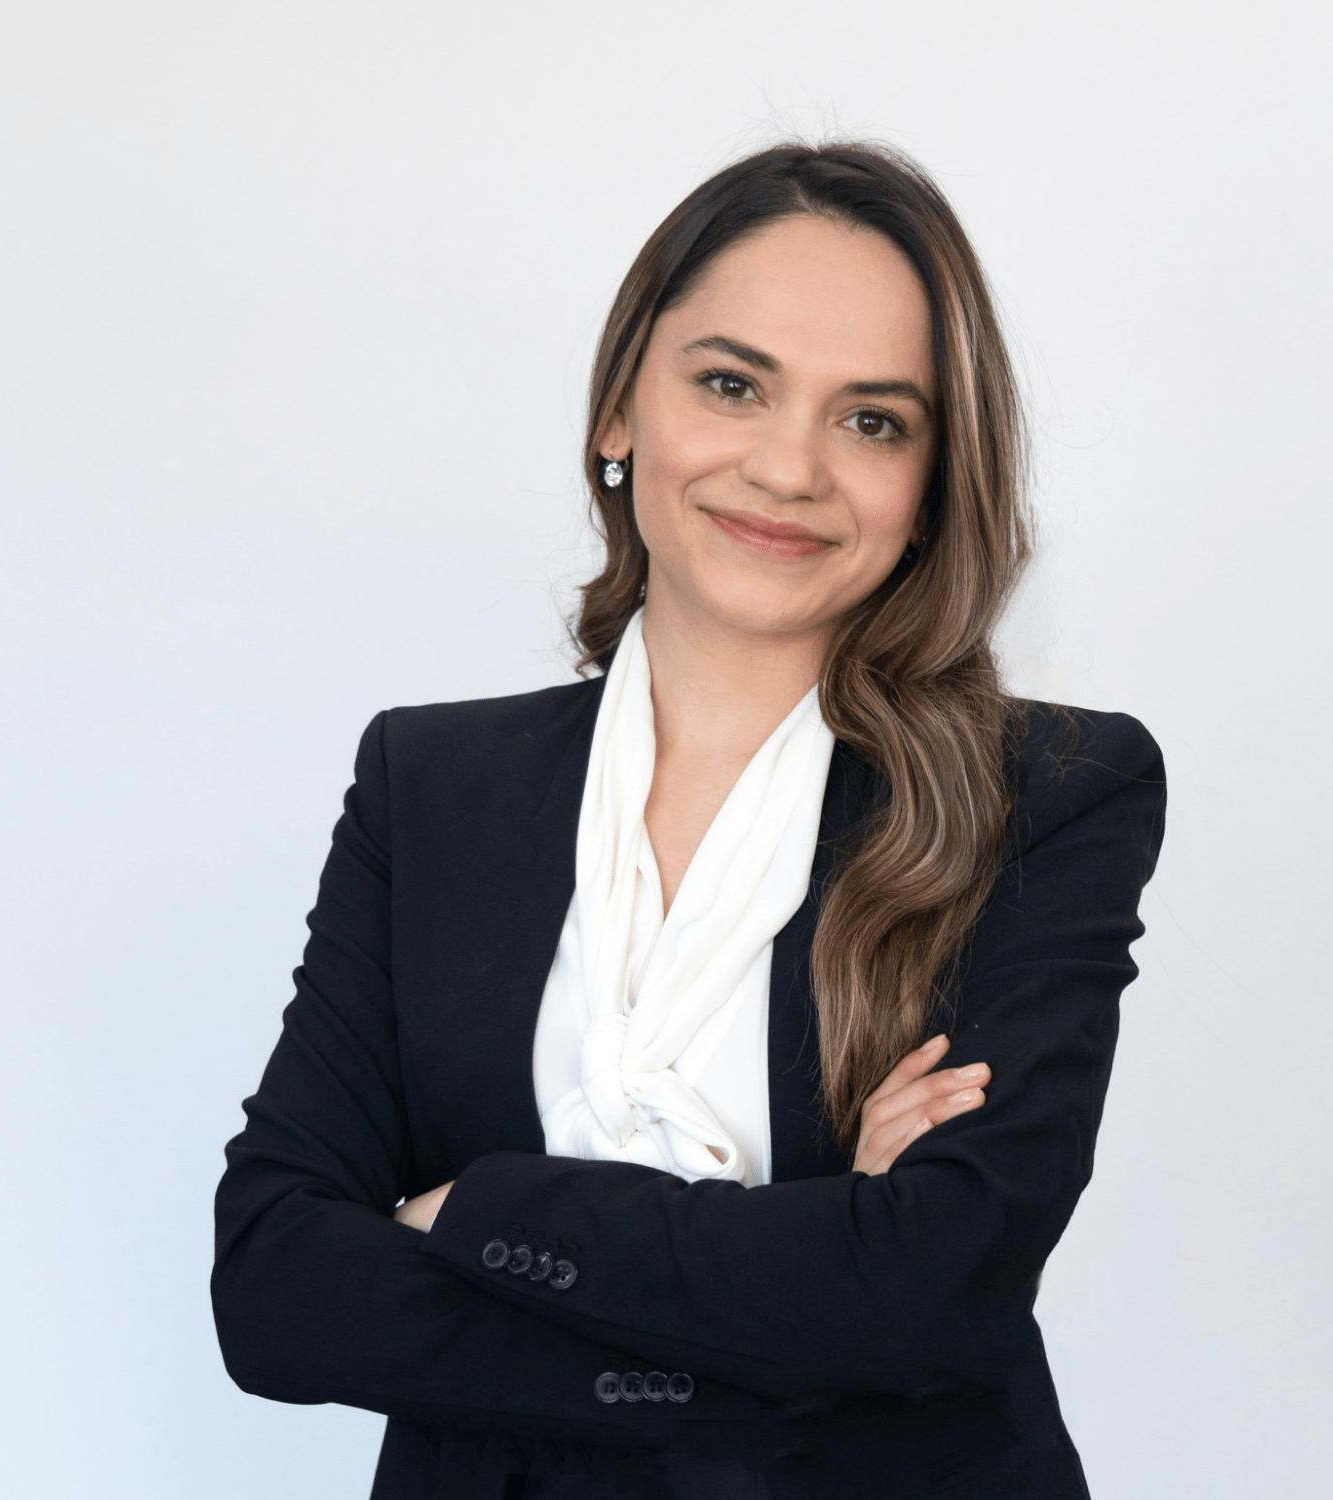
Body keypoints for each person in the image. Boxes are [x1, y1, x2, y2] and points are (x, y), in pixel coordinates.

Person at [211, 141, 1167, 1500]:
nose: (789, 467)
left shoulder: (1046, 794)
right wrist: (809, 1264)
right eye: (732, 385)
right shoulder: (431, 784)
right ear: (621, 411)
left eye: (872, 421)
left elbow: (937, 1288)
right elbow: (277, 1285)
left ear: (932, 486)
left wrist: (477, 1211)